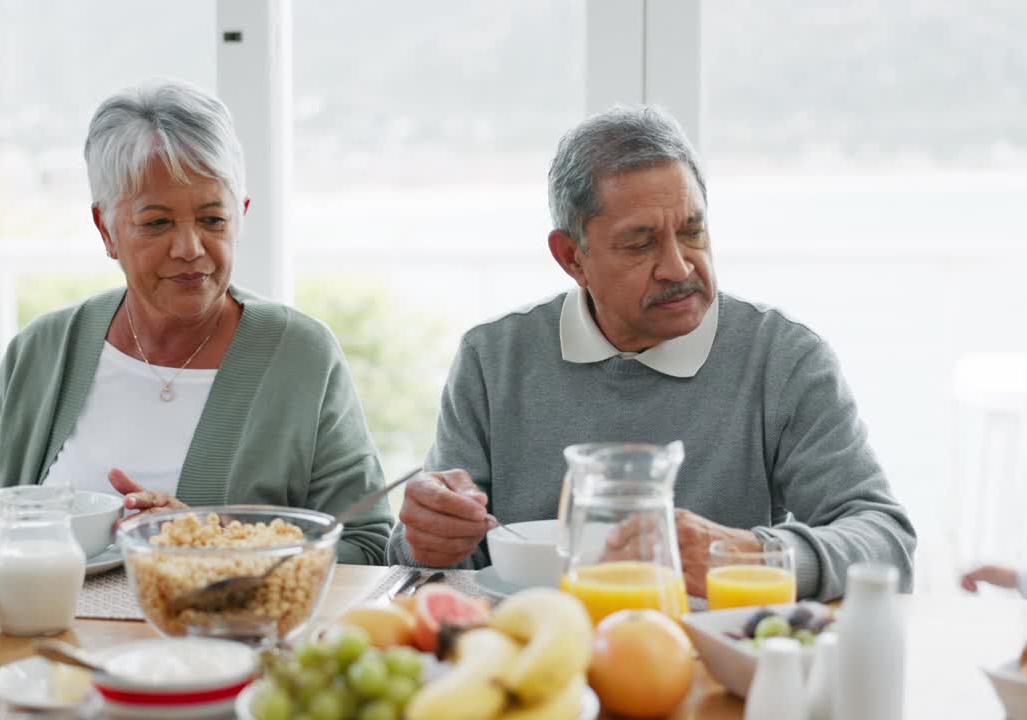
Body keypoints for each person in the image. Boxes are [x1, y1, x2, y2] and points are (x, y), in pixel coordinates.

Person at [387, 106, 916, 599]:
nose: (679, 267)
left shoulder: (783, 358)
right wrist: (427, 536)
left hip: (710, 660)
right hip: (535, 656)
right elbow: (422, 556)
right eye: (641, 244)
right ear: (572, 258)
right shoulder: (492, 360)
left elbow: (886, 540)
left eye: (693, 231)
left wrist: (755, 555)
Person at [0, 80, 390, 563]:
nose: (189, 248)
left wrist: (214, 542)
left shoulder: (300, 355)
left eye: (212, 220)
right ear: (106, 230)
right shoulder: (42, 349)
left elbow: (367, 547)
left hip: (229, 638)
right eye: (156, 223)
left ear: (240, 217)